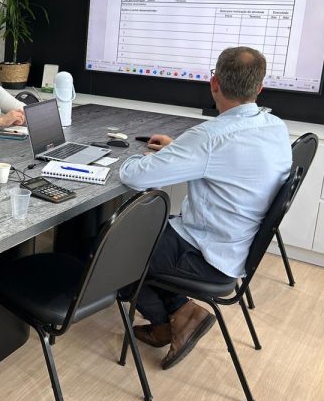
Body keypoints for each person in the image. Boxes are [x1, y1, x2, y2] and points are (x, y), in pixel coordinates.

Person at [118, 46, 292, 370]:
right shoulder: (276, 127)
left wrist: (123, 156)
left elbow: (134, 176)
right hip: (238, 247)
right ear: (259, 88)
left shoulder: (210, 136)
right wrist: (180, 152)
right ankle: (178, 315)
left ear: (214, 83)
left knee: (114, 251)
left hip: (205, 255)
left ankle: (173, 318)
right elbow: (231, 164)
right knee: (141, 234)